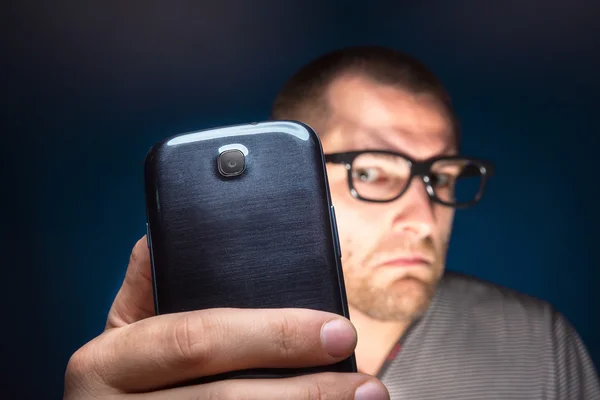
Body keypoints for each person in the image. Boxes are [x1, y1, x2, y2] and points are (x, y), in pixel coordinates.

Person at [64, 46, 600, 399]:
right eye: (372, 171)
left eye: (443, 175)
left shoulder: (541, 342)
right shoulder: (180, 366)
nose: (422, 219)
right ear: (293, 182)